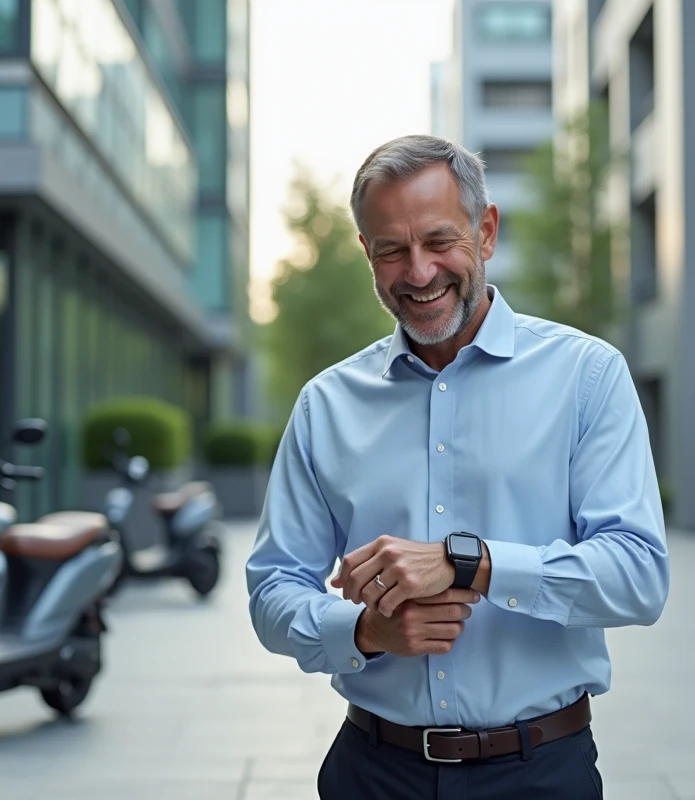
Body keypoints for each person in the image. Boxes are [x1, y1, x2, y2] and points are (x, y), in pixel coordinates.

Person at [245, 134, 670, 800]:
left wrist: (469, 561)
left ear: (487, 231)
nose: (418, 273)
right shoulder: (327, 403)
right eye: (392, 249)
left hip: (539, 775)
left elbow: (639, 578)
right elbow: (273, 589)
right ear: (367, 253)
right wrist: (363, 630)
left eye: (440, 241)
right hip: (372, 772)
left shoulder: (587, 377)